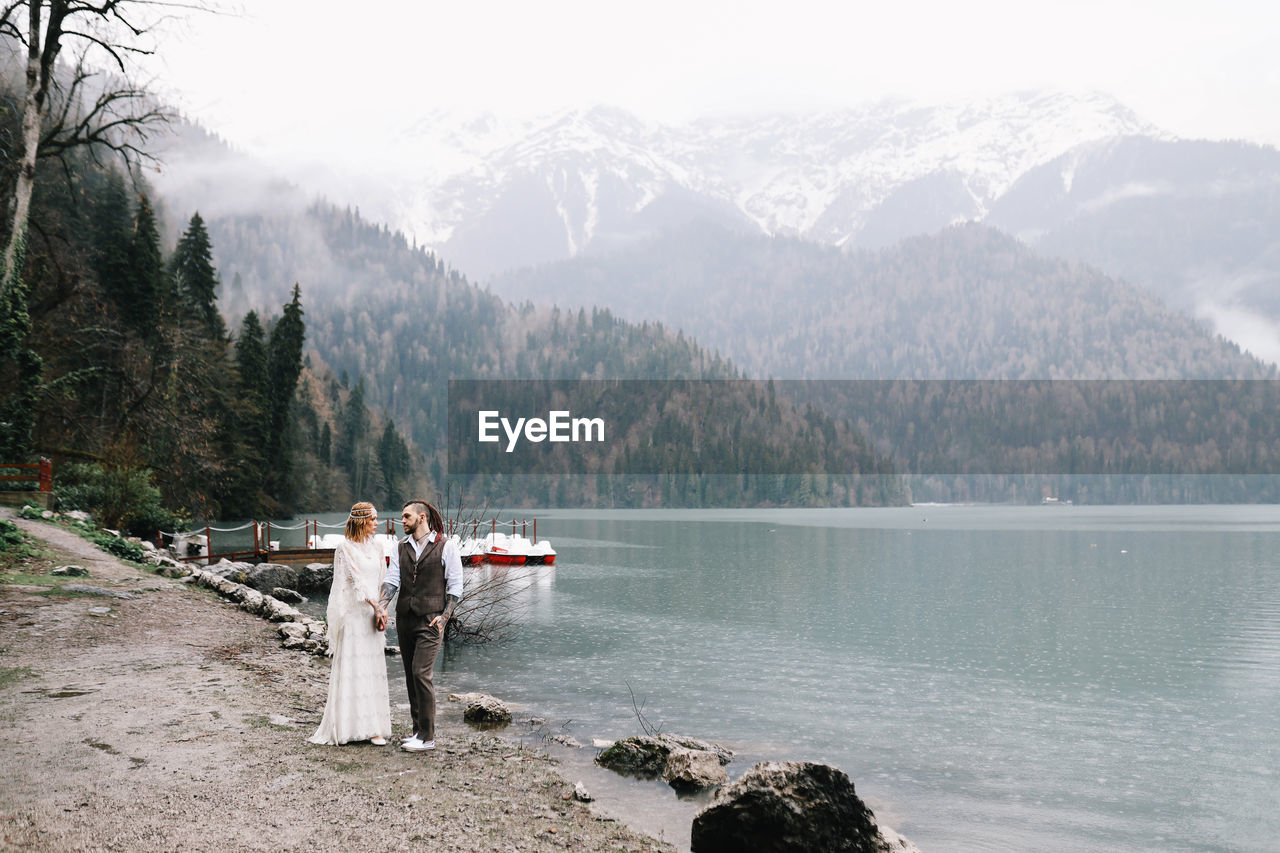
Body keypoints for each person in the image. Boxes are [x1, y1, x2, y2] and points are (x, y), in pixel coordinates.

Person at [378, 499, 463, 752]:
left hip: (431, 620)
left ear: (422, 518)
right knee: (409, 675)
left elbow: (455, 586)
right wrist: (382, 605)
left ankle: (427, 737)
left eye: (406, 516)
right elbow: (392, 579)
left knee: (421, 673)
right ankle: (417, 731)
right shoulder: (400, 547)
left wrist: (445, 617)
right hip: (405, 617)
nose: (402, 521)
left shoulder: (446, 546)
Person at [308, 501, 393, 746]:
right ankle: (347, 728)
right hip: (355, 616)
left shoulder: (378, 547)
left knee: (372, 669)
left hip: (373, 615)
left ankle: (374, 728)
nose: (377, 524)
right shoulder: (344, 548)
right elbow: (355, 582)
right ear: (361, 521)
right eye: (374, 519)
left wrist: (382, 609)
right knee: (355, 669)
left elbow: (383, 580)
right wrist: (374, 605)